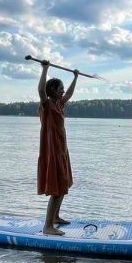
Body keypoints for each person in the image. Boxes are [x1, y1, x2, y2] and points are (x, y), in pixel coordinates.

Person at [37, 60, 78, 235]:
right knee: (56, 188)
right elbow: (40, 90)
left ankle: (55, 217)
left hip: (62, 150)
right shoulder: (47, 105)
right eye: (60, 88)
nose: (62, 91)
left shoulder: (59, 104)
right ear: (53, 90)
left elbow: (69, 94)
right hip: (52, 151)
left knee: (63, 185)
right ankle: (47, 226)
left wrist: (75, 77)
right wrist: (45, 69)